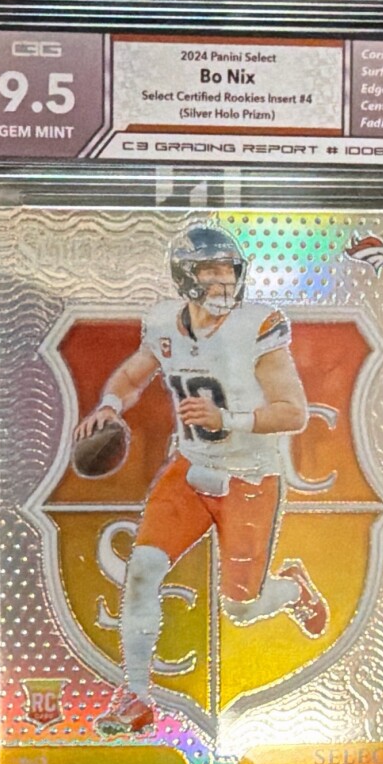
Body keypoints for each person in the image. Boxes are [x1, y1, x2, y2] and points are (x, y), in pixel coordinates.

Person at [74, 223, 329, 734]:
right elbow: (133, 375)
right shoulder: (164, 324)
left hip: (249, 478)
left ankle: (293, 590)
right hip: (189, 469)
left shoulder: (257, 326)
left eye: (228, 270)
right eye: (210, 271)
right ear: (185, 276)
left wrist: (227, 419)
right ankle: (136, 695)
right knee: (142, 570)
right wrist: (109, 405)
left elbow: (294, 411)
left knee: (242, 608)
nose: (222, 281)